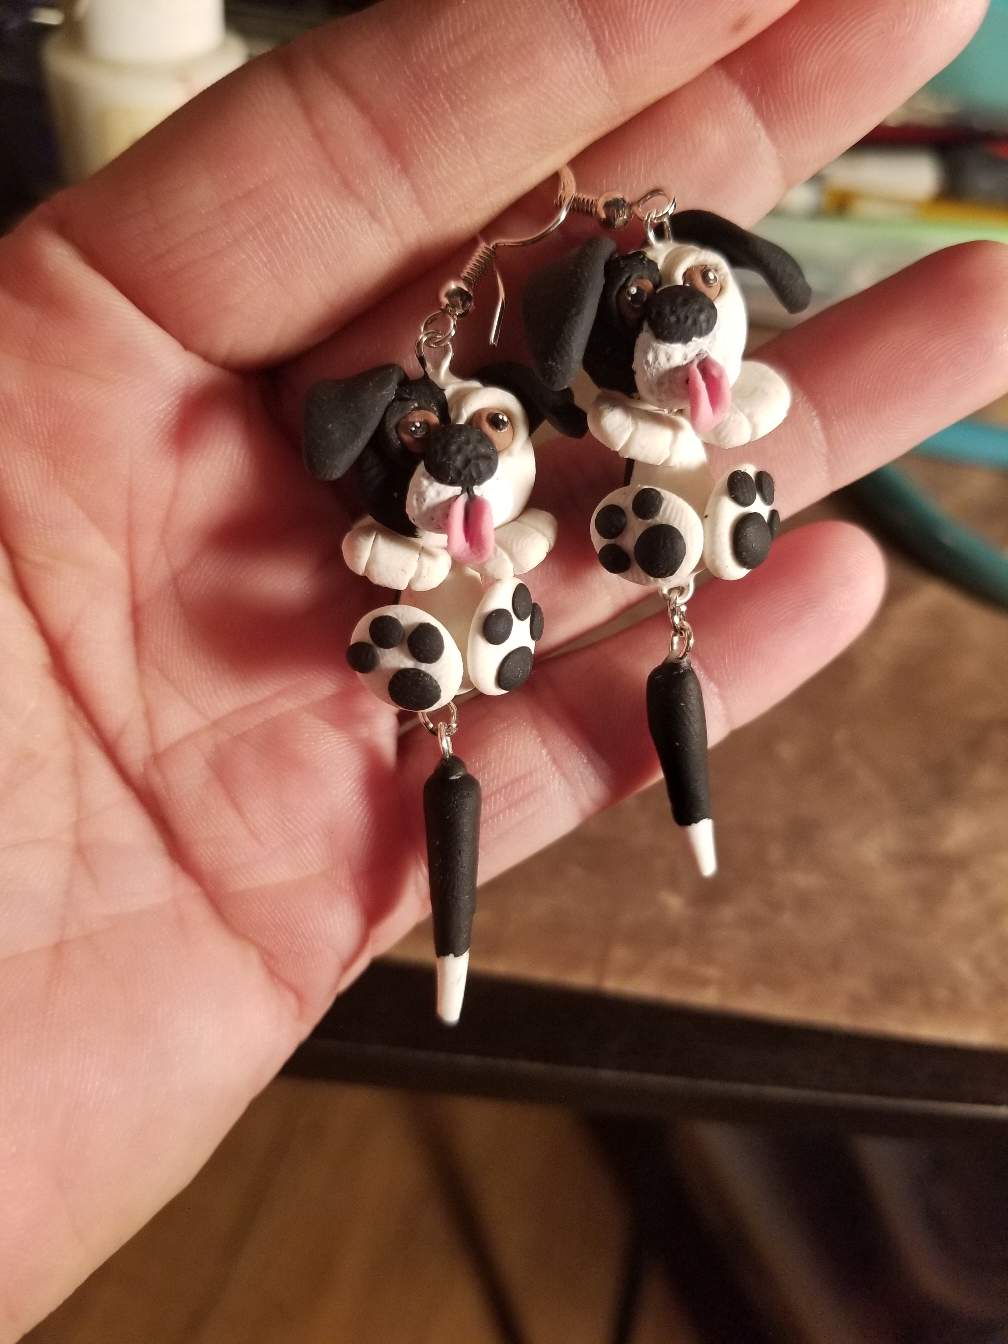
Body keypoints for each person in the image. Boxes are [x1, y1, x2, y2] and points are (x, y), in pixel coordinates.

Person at [0, 0, 1004, 1333]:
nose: (469, 451)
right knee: (492, 709)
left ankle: (650, 761)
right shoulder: (431, 461)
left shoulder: (608, 404)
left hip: (581, 534)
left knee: (650, 622)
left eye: (483, 423)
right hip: (446, 605)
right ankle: (494, 834)